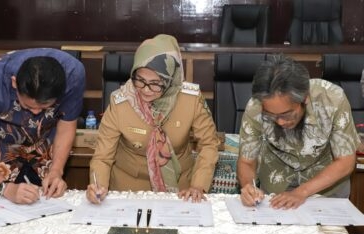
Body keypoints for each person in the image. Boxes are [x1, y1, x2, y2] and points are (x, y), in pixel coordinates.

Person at [86, 34, 219, 204]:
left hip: (181, 191)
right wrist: (98, 185)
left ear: (171, 80)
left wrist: (198, 185)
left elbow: (209, 144)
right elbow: (103, 156)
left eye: (156, 83)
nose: (146, 90)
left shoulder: (190, 99)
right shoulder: (121, 101)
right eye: (140, 80)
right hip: (128, 190)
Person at [237, 55, 361, 209]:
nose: (280, 122)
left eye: (287, 114)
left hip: (326, 188)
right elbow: (247, 162)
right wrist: (249, 186)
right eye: (271, 115)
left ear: (305, 98)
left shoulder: (332, 100)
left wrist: (301, 192)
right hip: (276, 187)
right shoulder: (255, 107)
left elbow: (345, 161)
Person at [0, 48, 85, 204]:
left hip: (48, 138)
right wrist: (7, 189)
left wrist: (56, 171)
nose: (36, 113)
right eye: (28, 106)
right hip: (5, 142)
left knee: (47, 201)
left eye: (44, 108)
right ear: (14, 83)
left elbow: (65, 127)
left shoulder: (73, 75)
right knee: (4, 207)